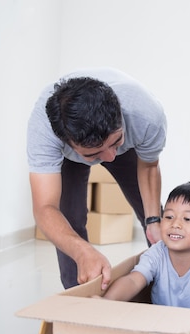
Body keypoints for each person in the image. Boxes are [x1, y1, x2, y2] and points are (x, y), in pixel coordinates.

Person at [27, 68, 167, 290]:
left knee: (157, 220)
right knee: (69, 219)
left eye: (115, 142)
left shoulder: (146, 115)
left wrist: (153, 221)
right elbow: (45, 208)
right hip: (70, 158)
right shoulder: (44, 132)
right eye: (94, 154)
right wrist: (82, 251)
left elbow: (149, 166)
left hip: (128, 141)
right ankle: (79, 295)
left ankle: (169, 283)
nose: (110, 158)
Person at [103, 183, 190, 309]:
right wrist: (106, 300)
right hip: (160, 323)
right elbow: (133, 281)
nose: (175, 224)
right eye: (169, 216)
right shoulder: (157, 252)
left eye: (187, 219)